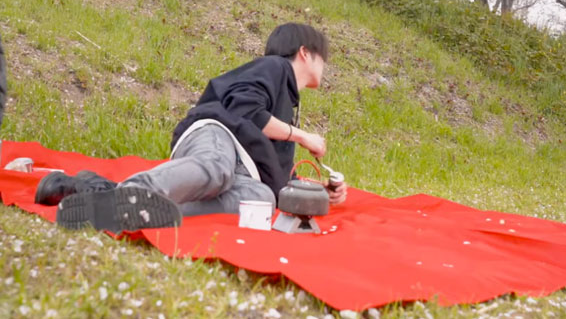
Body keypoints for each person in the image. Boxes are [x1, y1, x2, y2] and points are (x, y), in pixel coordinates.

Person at [34, 22, 348, 232]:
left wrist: (319, 193)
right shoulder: (275, 67)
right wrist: (303, 136)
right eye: (324, 59)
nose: (325, 68)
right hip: (217, 134)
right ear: (305, 53)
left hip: (244, 169)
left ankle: (118, 204)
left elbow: (279, 180)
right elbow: (245, 111)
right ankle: (125, 196)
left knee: (261, 199)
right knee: (217, 168)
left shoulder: (286, 105)